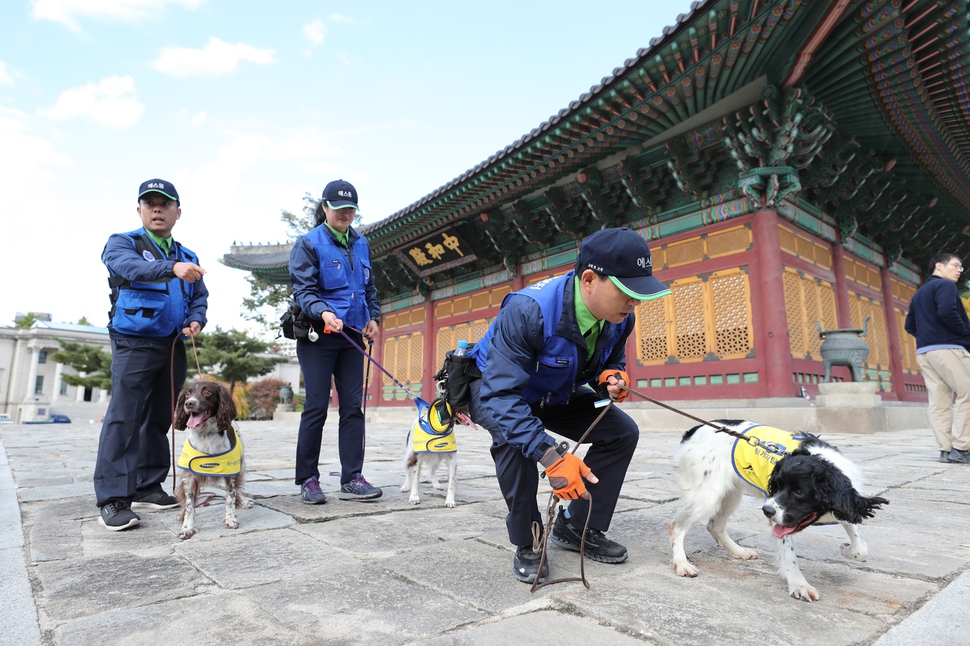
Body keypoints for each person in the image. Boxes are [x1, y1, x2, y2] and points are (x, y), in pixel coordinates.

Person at [467, 227, 671, 583]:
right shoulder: (528, 311)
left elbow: (611, 360)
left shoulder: (620, 318)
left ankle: (576, 525)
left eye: (640, 292)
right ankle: (529, 541)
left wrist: (611, 378)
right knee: (517, 444)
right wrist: (551, 456)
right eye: (627, 291)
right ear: (589, 280)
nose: (635, 302)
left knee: (622, 432)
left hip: (554, 391)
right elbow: (502, 396)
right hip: (497, 392)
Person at [94, 179, 208, 531]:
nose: (157, 209)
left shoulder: (188, 256)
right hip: (134, 341)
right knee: (124, 417)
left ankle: (147, 485)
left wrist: (195, 318)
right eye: (150, 203)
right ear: (140, 209)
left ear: (177, 211)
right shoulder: (122, 243)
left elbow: (199, 295)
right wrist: (169, 268)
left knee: (162, 416)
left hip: (172, 343)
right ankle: (114, 499)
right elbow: (131, 269)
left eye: (164, 203)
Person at [289, 179, 382, 503]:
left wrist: (373, 318)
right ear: (325, 208)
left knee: (353, 407)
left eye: (350, 209)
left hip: (353, 334)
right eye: (339, 208)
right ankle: (308, 479)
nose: (345, 214)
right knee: (316, 406)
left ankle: (352, 477)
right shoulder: (308, 243)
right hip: (319, 335)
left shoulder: (362, 243)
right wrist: (324, 312)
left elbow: (369, 288)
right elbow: (303, 291)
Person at [904, 253, 970, 464]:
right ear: (939, 266)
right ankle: (962, 447)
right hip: (948, 348)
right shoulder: (946, 286)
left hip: (925, 351)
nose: (960, 270)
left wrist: (929, 337)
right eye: (956, 265)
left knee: (939, 400)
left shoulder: (919, 293)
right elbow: (948, 311)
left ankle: (946, 449)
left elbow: (909, 326)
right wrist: (965, 334)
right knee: (967, 393)